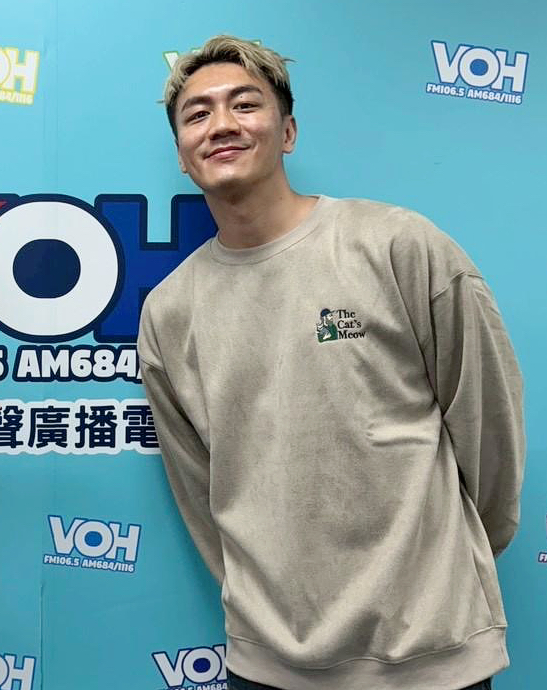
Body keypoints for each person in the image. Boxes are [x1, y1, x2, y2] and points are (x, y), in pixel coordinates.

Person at [137, 35, 524, 690]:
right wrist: (263, 615)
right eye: (197, 114)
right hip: (268, 664)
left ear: (287, 132)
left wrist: (443, 572)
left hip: (432, 657)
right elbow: (201, 489)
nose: (222, 124)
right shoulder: (170, 311)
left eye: (244, 105)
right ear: (181, 154)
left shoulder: (397, 245)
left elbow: (488, 427)